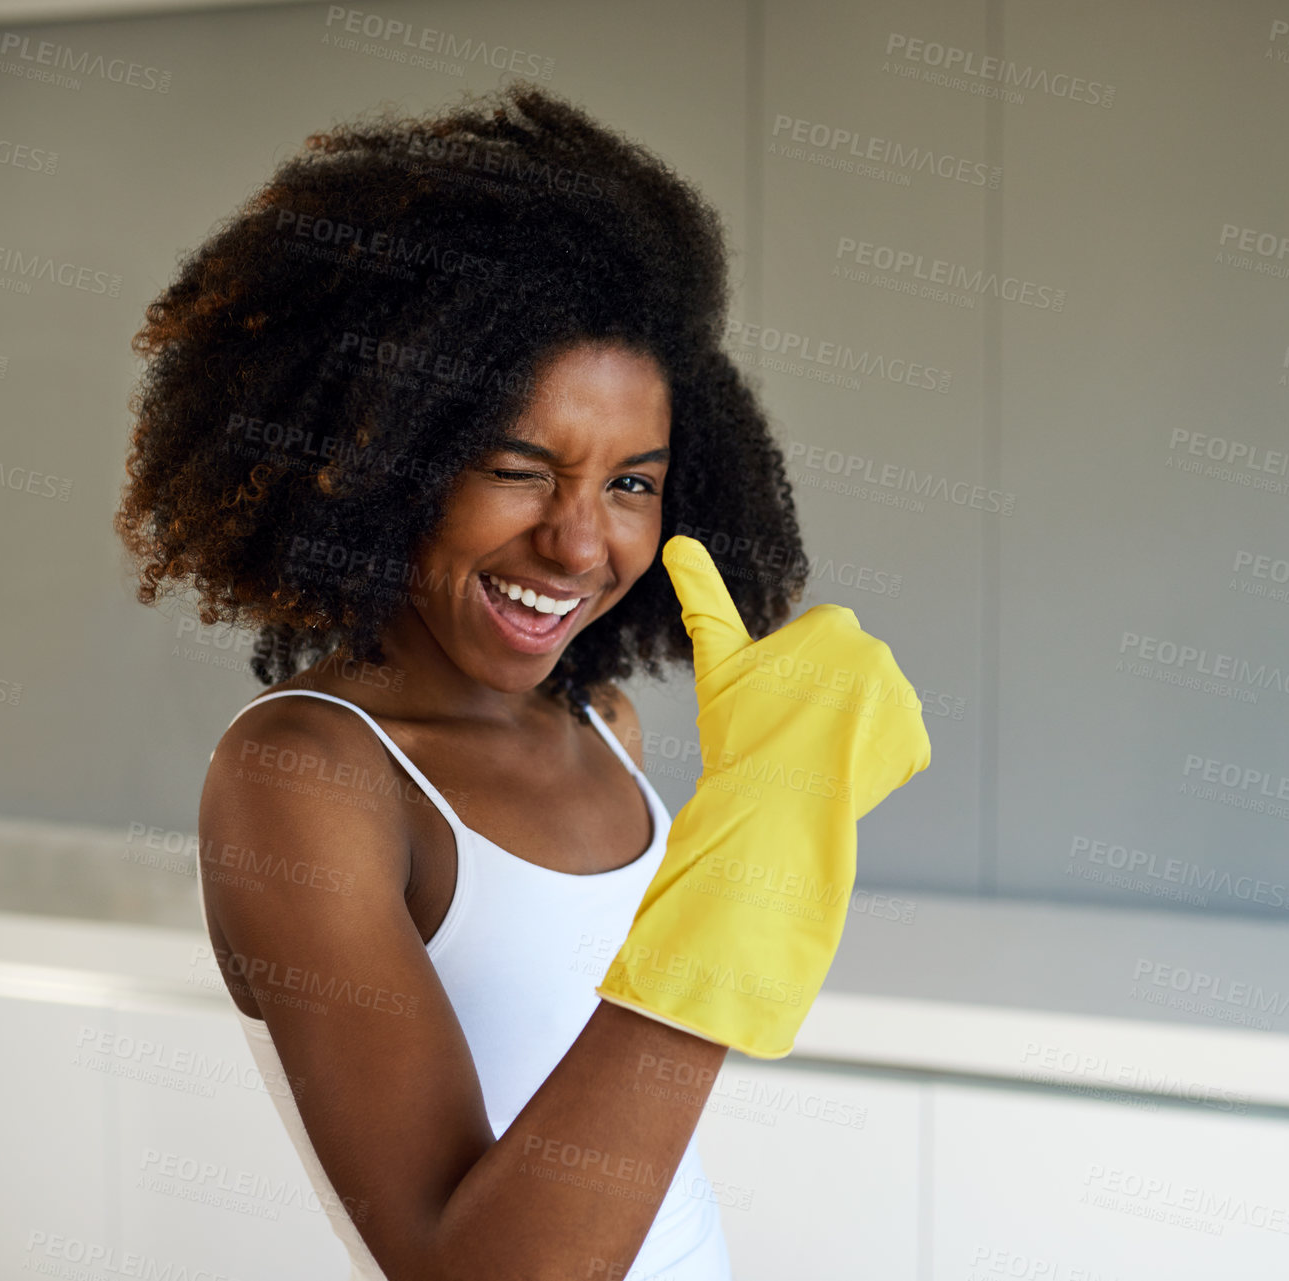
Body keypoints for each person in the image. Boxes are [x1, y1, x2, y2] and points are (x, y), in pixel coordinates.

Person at [113, 82, 812, 1280]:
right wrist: (727, 919)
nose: (581, 545)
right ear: (378, 463)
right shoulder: (310, 774)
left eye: (632, 483)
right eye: (517, 468)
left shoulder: (604, 726)